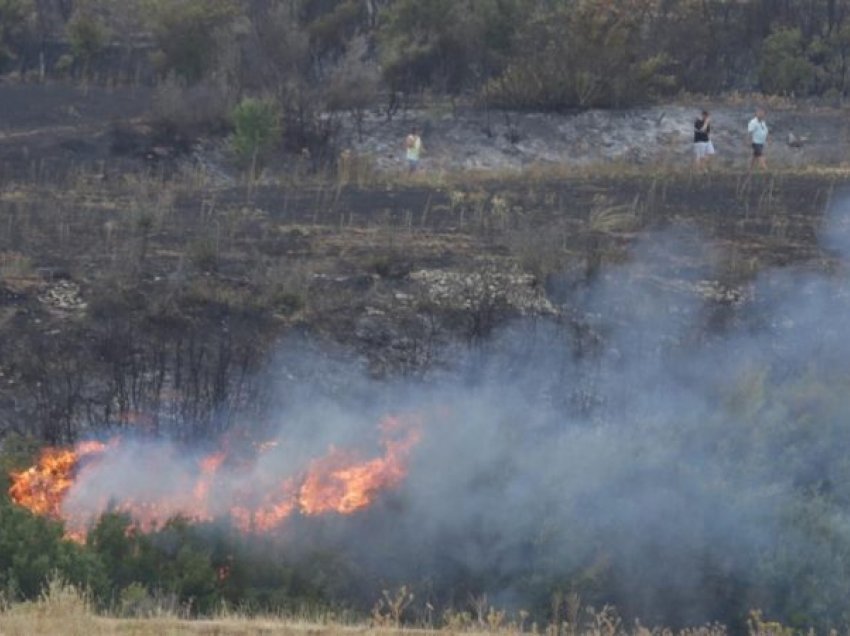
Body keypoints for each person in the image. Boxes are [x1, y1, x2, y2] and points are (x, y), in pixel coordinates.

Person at [747, 108, 769, 172]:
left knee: (755, 155)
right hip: (755, 142)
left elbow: (766, 131)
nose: (761, 114)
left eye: (762, 113)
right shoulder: (753, 122)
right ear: (756, 113)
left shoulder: (763, 122)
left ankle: (750, 168)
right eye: (759, 113)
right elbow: (750, 132)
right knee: (760, 155)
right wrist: (749, 140)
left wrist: (768, 139)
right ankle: (765, 168)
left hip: (761, 142)